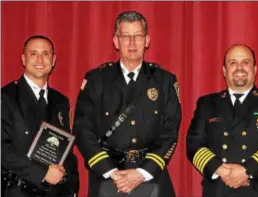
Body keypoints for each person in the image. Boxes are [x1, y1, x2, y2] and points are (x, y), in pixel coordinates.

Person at [73, 11, 182, 197]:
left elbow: (170, 131)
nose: (132, 43)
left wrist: (143, 173)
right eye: (125, 36)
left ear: (147, 40)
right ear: (116, 41)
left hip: (151, 175)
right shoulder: (97, 79)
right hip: (107, 176)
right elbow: (82, 127)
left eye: (138, 36)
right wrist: (110, 171)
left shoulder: (164, 81)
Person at [186, 44, 258, 197]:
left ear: (255, 69)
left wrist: (246, 170)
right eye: (232, 63)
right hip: (218, 189)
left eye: (246, 62)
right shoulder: (207, 103)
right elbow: (193, 144)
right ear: (224, 70)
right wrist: (222, 171)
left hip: (257, 190)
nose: (239, 68)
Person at [1, 35, 79, 197]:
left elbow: (65, 147)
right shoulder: (6, 97)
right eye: (33, 53)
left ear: (53, 60)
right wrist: (42, 173)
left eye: (45, 54)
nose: (40, 59)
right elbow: (2, 149)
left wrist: (69, 180)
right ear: (23, 59)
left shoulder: (61, 101)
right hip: (19, 190)